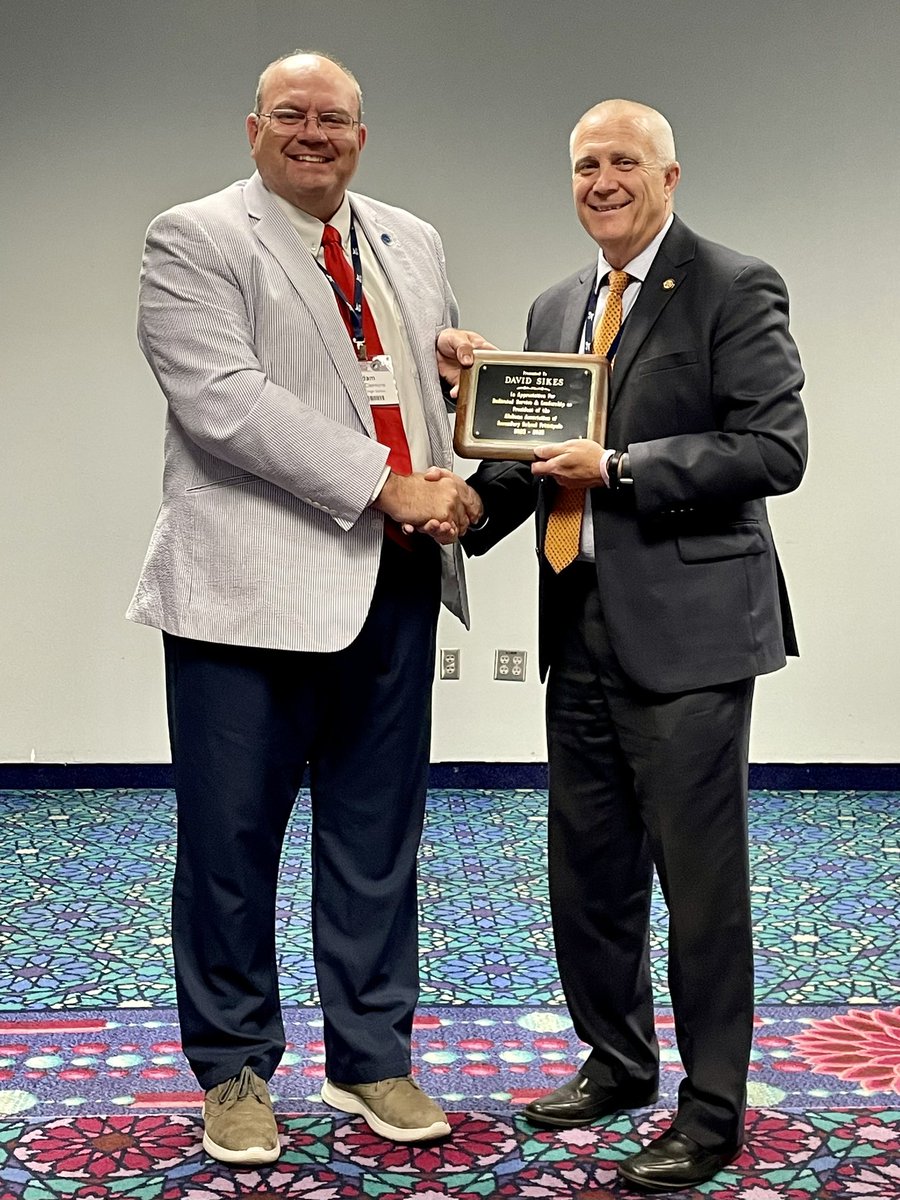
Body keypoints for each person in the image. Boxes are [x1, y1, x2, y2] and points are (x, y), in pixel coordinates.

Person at [128, 50, 486, 1165]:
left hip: (394, 586)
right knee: (231, 842)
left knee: (378, 839)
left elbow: (413, 391)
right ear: (254, 129)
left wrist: (465, 409)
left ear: (361, 137)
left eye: (335, 118)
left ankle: (370, 1055)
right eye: (293, 115)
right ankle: (233, 1066)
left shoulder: (410, 240)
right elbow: (226, 406)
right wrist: (388, 484)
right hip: (247, 596)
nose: (314, 133)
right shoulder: (194, 238)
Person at [463, 99, 807, 1192]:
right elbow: (529, 461)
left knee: (701, 889)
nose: (602, 180)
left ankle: (710, 1115)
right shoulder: (558, 302)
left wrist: (619, 469)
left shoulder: (732, 284)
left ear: (668, 175)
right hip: (579, 628)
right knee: (591, 875)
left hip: (693, 637)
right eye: (584, 165)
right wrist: (459, 508)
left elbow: (773, 447)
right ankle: (616, 1064)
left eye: (623, 162)